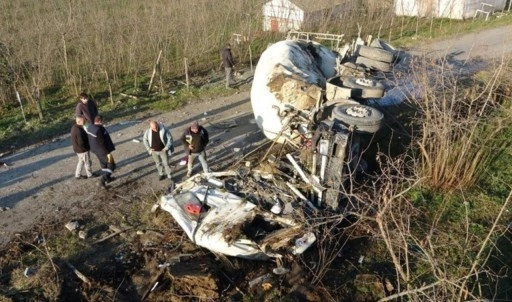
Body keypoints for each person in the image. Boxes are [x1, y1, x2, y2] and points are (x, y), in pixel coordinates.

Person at [86, 115, 116, 188]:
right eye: (103, 121)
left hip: (96, 151)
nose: (104, 122)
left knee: (104, 165)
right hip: (104, 152)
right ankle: (102, 181)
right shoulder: (99, 129)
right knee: (112, 165)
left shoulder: (90, 127)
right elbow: (101, 142)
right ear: (100, 121)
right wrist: (107, 152)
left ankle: (108, 178)